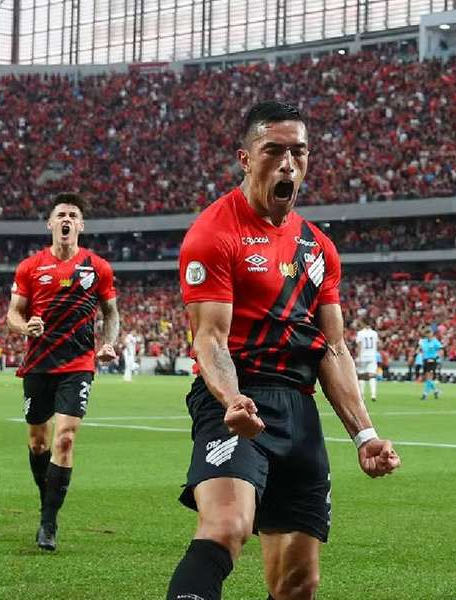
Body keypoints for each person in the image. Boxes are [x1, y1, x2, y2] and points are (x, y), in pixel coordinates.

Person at [166, 101, 400, 600]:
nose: (288, 164)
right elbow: (208, 338)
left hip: (299, 411)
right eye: (274, 151)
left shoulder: (317, 247)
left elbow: (332, 349)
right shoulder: (214, 233)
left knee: (298, 583)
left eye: (299, 152)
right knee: (227, 526)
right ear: (246, 158)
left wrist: (365, 435)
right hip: (236, 402)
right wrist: (231, 397)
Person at [6, 192, 119, 551]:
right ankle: (47, 503)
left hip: (78, 365)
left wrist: (107, 342)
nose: (66, 220)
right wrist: (26, 328)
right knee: (39, 441)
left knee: (65, 438)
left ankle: (48, 522)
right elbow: (12, 315)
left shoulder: (98, 267)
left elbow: (111, 313)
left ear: (80, 225)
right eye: (61, 214)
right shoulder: (29, 267)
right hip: (39, 364)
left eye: (73, 214)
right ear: (50, 224)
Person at [354, 320, 380, 402]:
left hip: (363, 356)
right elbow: (376, 345)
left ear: (363, 323)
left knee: (362, 375)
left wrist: (358, 357)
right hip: (372, 356)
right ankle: (373, 394)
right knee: (372, 375)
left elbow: (359, 346)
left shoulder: (360, 333)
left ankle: (362, 395)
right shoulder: (374, 333)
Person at [419, 328, 443, 400]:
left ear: (432, 333)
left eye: (429, 333)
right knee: (427, 378)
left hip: (432, 361)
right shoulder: (424, 341)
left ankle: (425, 394)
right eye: (427, 333)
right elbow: (421, 349)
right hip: (425, 361)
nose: (428, 335)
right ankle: (436, 391)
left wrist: (437, 357)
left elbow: (441, 350)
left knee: (429, 377)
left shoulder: (435, 342)